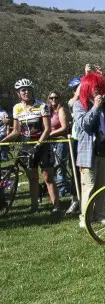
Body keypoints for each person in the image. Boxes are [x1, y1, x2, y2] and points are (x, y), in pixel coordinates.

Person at [1, 78, 60, 213]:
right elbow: (16, 131)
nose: (26, 92)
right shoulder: (17, 108)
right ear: (18, 93)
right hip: (26, 145)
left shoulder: (42, 106)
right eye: (23, 90)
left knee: (48, 177)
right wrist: (2, 141)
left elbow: (47, 129)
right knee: (32, 178)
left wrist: (38, 145)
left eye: (28, 89)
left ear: (32, 91)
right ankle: (34, 207)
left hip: (43, 145)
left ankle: (56, 206)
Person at [73, 71, 105, 228]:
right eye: (94, 86)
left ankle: (100, 215)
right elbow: (85, 125)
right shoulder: (79, 105)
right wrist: (96, 107)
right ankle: (85, 217)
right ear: (87, 87)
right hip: (88, 153)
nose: (98, 89)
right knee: (89, 186)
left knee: (103, 185)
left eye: (100, 86)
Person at [47, 91, 70, 198]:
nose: (53, 100)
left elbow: (64, 127)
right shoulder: (47, 111)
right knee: (51, 166)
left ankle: (61, 191)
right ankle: (57, 189)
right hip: (49, 142)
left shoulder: (61, 110)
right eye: (51, 98)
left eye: (56, 98)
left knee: (59, 166)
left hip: (61, 141)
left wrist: (50, 134)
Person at [65, 76, 82, 215]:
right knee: (74, 172)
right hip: (76, 140)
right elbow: (72, 102)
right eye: (77, 88)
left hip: (88, 140)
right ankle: (75, 200)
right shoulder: (73, 102)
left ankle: (86, 200)